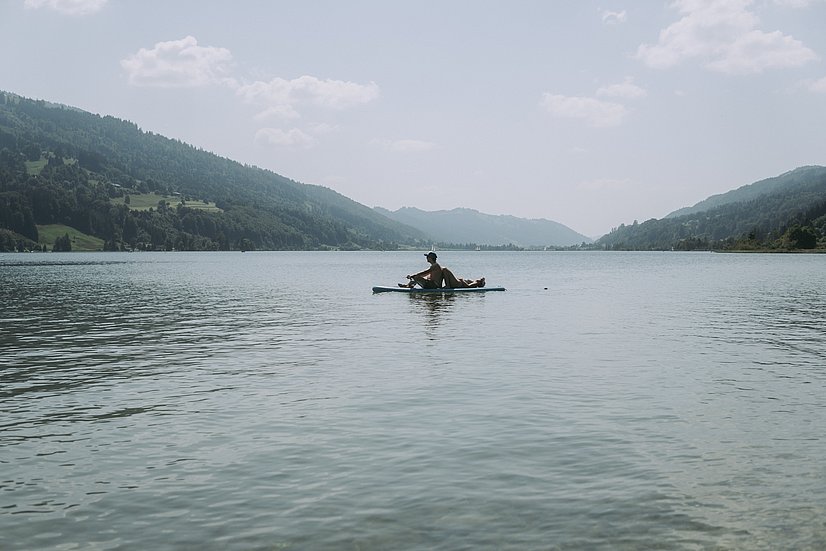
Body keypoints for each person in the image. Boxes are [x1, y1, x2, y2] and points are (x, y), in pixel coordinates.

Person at [399, 252, 485, 288]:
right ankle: (408, 285)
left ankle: (479, 282)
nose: (426, 258)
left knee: (416, 277)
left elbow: (424, 273)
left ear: (430, 258)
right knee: (416, 277)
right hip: (432, 283)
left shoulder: (435, 266)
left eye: (427, 257)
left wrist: (412, 276)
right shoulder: (435, 266)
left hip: (434, 285)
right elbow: (426, 274)